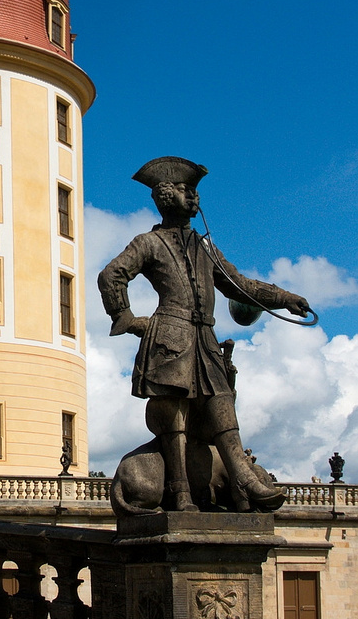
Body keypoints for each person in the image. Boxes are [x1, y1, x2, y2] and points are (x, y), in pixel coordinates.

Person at [98, 156, 311, 512]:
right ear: (167, 196)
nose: (195, 198)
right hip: (170, 339)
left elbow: (239, 286)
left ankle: (243, 477)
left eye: (196, 192)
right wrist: (129, 320)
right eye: (187, 190)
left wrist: (285, 298)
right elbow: (111, 275)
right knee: (174, 418)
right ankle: (180, 492)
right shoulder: (148, 243)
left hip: (205, 341)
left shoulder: (205, 247)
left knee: (223, 406)